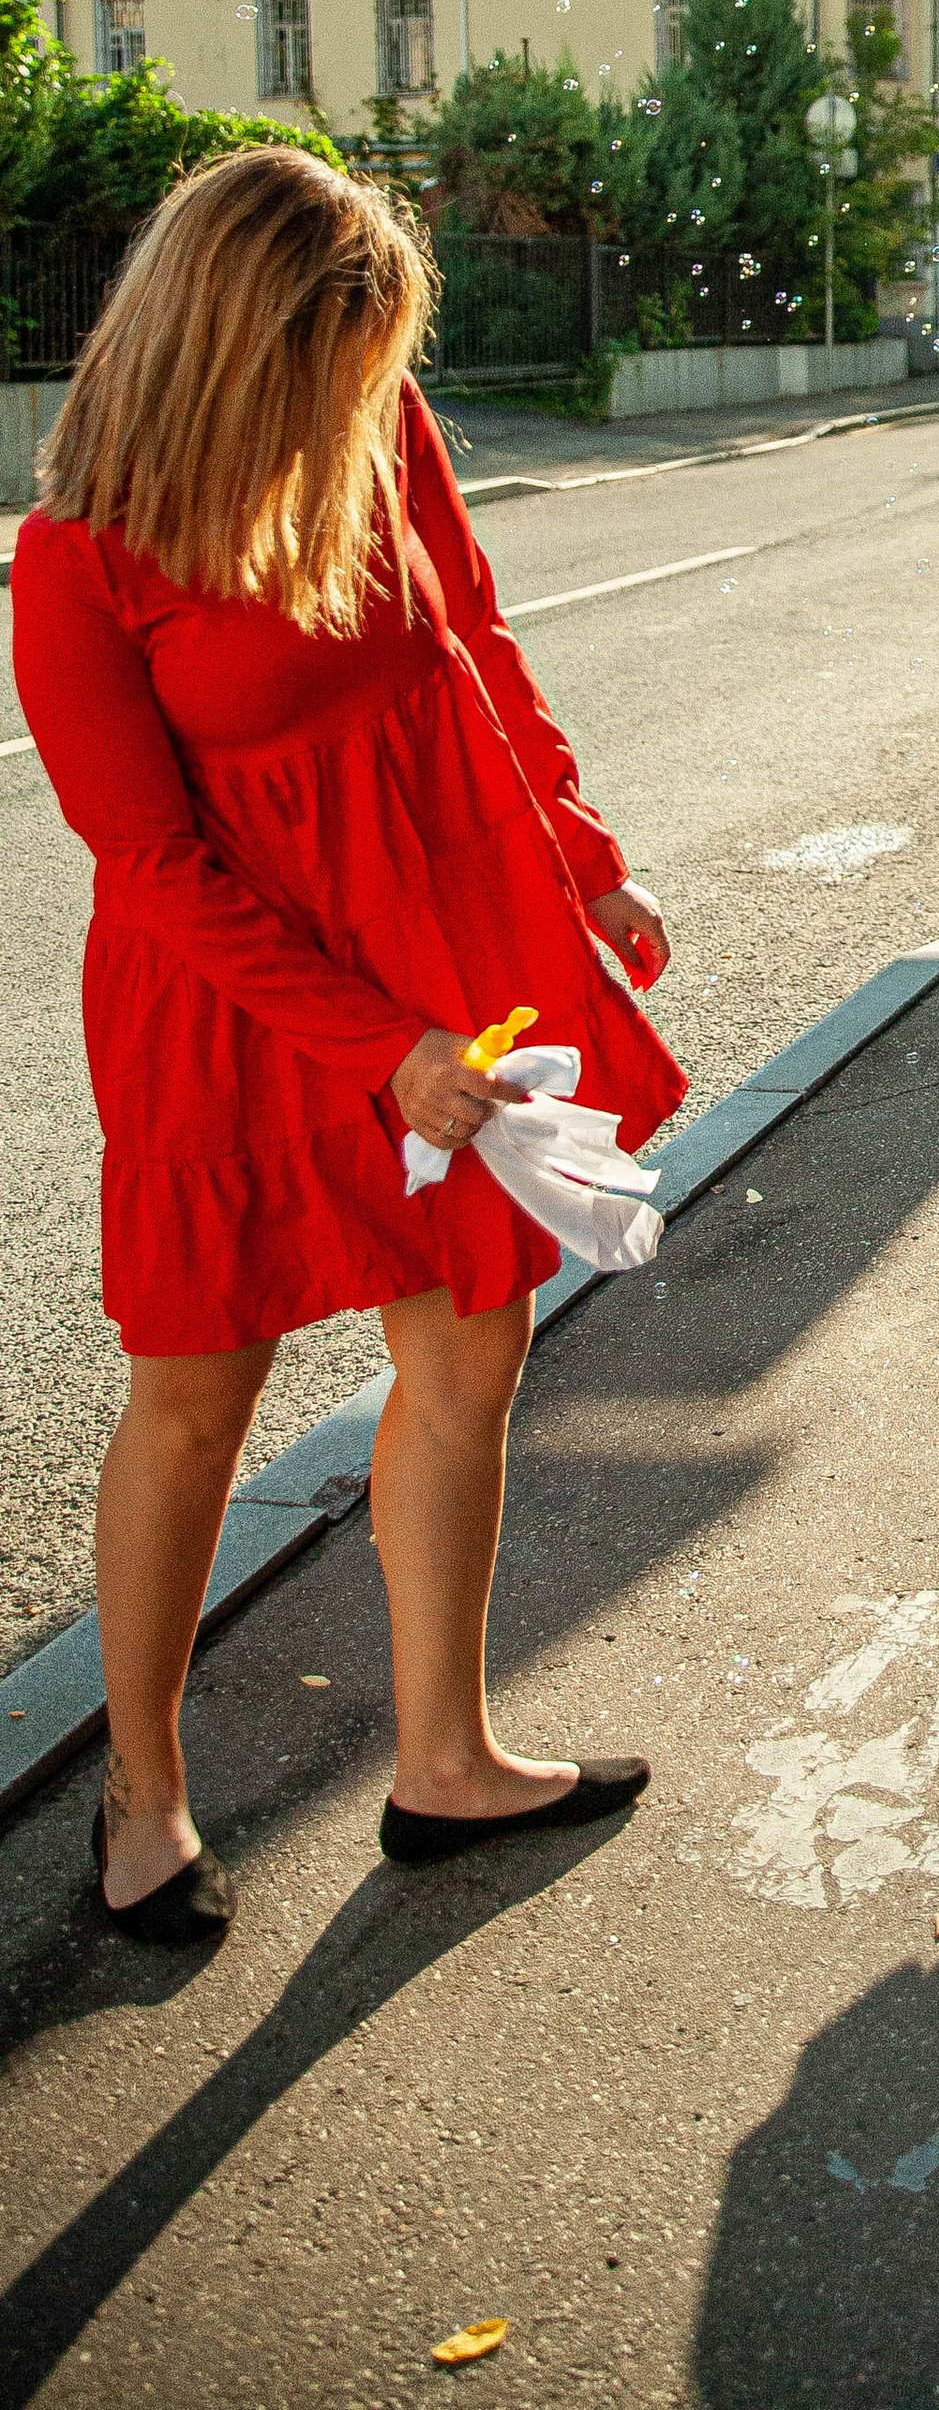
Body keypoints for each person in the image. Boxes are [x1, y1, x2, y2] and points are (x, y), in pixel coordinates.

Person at [11, 149, 686, 1946]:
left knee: (470, 1357)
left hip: (446, 959)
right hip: (230, 1007)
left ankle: (444, 1759)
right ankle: (145, 1794)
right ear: (241, 349)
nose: (374, 398)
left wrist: (588, 867)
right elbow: (149, 865)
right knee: (194, 1402)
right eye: (347, 360)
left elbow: (477, 648)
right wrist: (371, 1046)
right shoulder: (78, 562)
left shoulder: (383, 444)